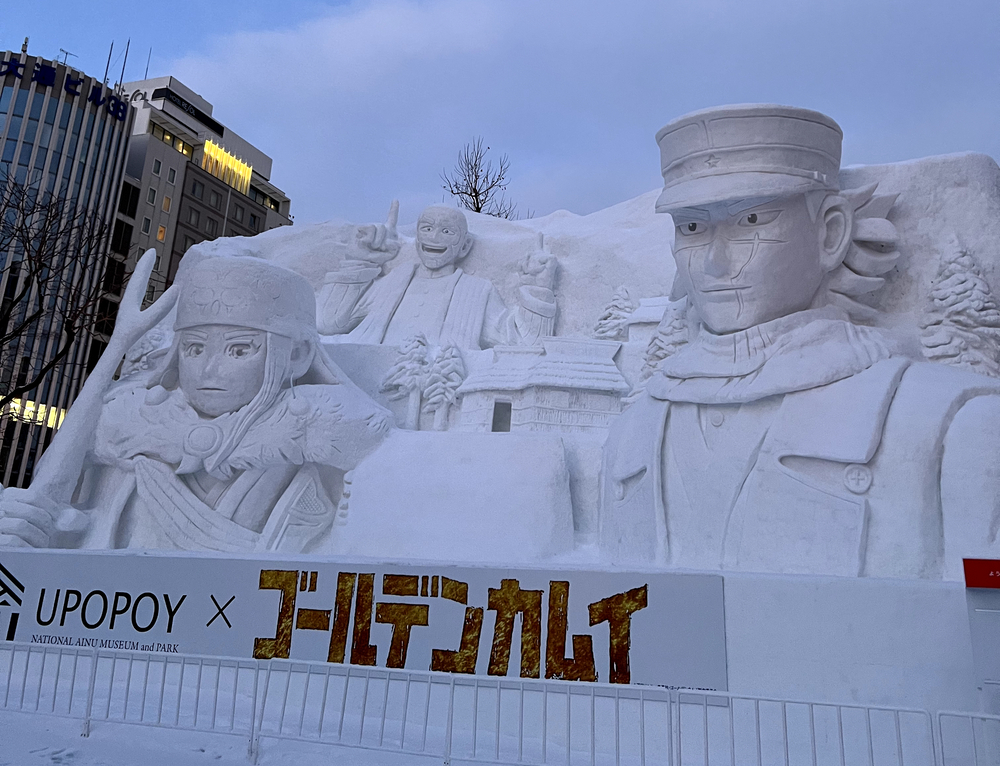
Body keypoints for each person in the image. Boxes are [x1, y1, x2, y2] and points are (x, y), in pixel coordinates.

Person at [600, 103, 1000, 580]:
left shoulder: (952, 423)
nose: (714, 263)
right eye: (692, 227)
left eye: (751, 222)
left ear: (831, 234)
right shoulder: (633, 432)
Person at [0, 252, 391, 553]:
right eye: (194, 348)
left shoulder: (322, 432)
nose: (210, 370)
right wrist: (26, 522)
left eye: (240, 350)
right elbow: (58, 515)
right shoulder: (132, 428)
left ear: (297, 355)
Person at [316, 203, 557, 348]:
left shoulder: (476, 292)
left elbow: (523, 342)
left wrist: (538, 288)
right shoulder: (392, 283)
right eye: (427, 228)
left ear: (464, 246)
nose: (434, 237)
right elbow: (328, 323)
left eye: (447, 231)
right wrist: (361, 258)